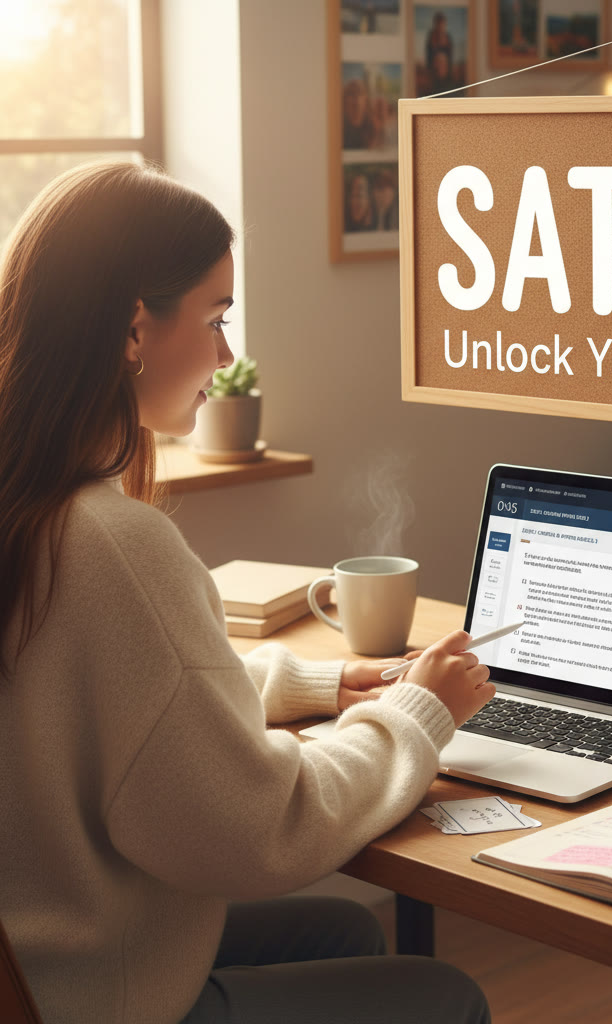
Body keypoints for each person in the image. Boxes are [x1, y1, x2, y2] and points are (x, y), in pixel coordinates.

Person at [0, 160, 495, 1024]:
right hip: (91, 997)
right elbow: (264, 829)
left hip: (43, 951)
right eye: (216, 319)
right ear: (132, 330)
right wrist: (418, 716)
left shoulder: (27, 503)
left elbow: (104, 698)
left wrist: (306, 684)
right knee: (446, 994)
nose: (228, 354)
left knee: (344, 933)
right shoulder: (113, 543)